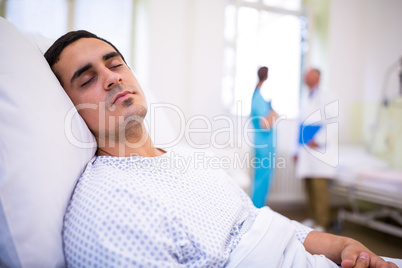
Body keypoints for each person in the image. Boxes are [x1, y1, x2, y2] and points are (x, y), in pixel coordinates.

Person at [44, 30, 398, 268]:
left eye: (115, 62)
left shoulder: (188, 161)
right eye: (87, 79)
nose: (111, 77)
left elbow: (263, 222)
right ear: (67, 107)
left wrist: (341, 246)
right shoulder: (109, 209)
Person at [294, 68, 338, 232]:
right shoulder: (305, 96)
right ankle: (312, 218)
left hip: (320, 149)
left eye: (309, 74)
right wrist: (295, 149)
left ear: (317, 77)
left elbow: (334, 122)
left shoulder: (328, 95)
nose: (305, 77)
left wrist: (318, 140)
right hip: (305, 147)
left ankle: (322, 222)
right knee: (308, 186)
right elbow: (299, 124)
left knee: (319, 188)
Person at [250, 66, 278, 208]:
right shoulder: (259, 98)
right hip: (264, 146)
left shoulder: (257, 96)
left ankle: (257, 209)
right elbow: (265, 124)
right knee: (262, 180)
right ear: (267, 77)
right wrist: (274, 114)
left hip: (262, 144)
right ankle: (257, 210)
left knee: (261, 179)